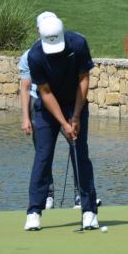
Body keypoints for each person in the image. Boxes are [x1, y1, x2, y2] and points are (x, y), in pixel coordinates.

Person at [23, 14, 99, 231]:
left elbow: (84, 79)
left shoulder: (78, 44)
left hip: (75, 102)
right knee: (43, 156)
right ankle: (34, 212)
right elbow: (45, 92)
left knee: (80, 154)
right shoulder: (35, 55)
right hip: (47, 109)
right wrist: (64, 124)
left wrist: (75, 117)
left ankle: (89, 211)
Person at [18, 12, 81, 211]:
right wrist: (26, 118)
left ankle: (80, 195)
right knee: (43, 153)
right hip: (41, 106)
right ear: (38, 29)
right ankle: (47, 196)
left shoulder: (68, 50)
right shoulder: (30, 56)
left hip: (64, 103)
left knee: (76, 144)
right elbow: (25, 88)